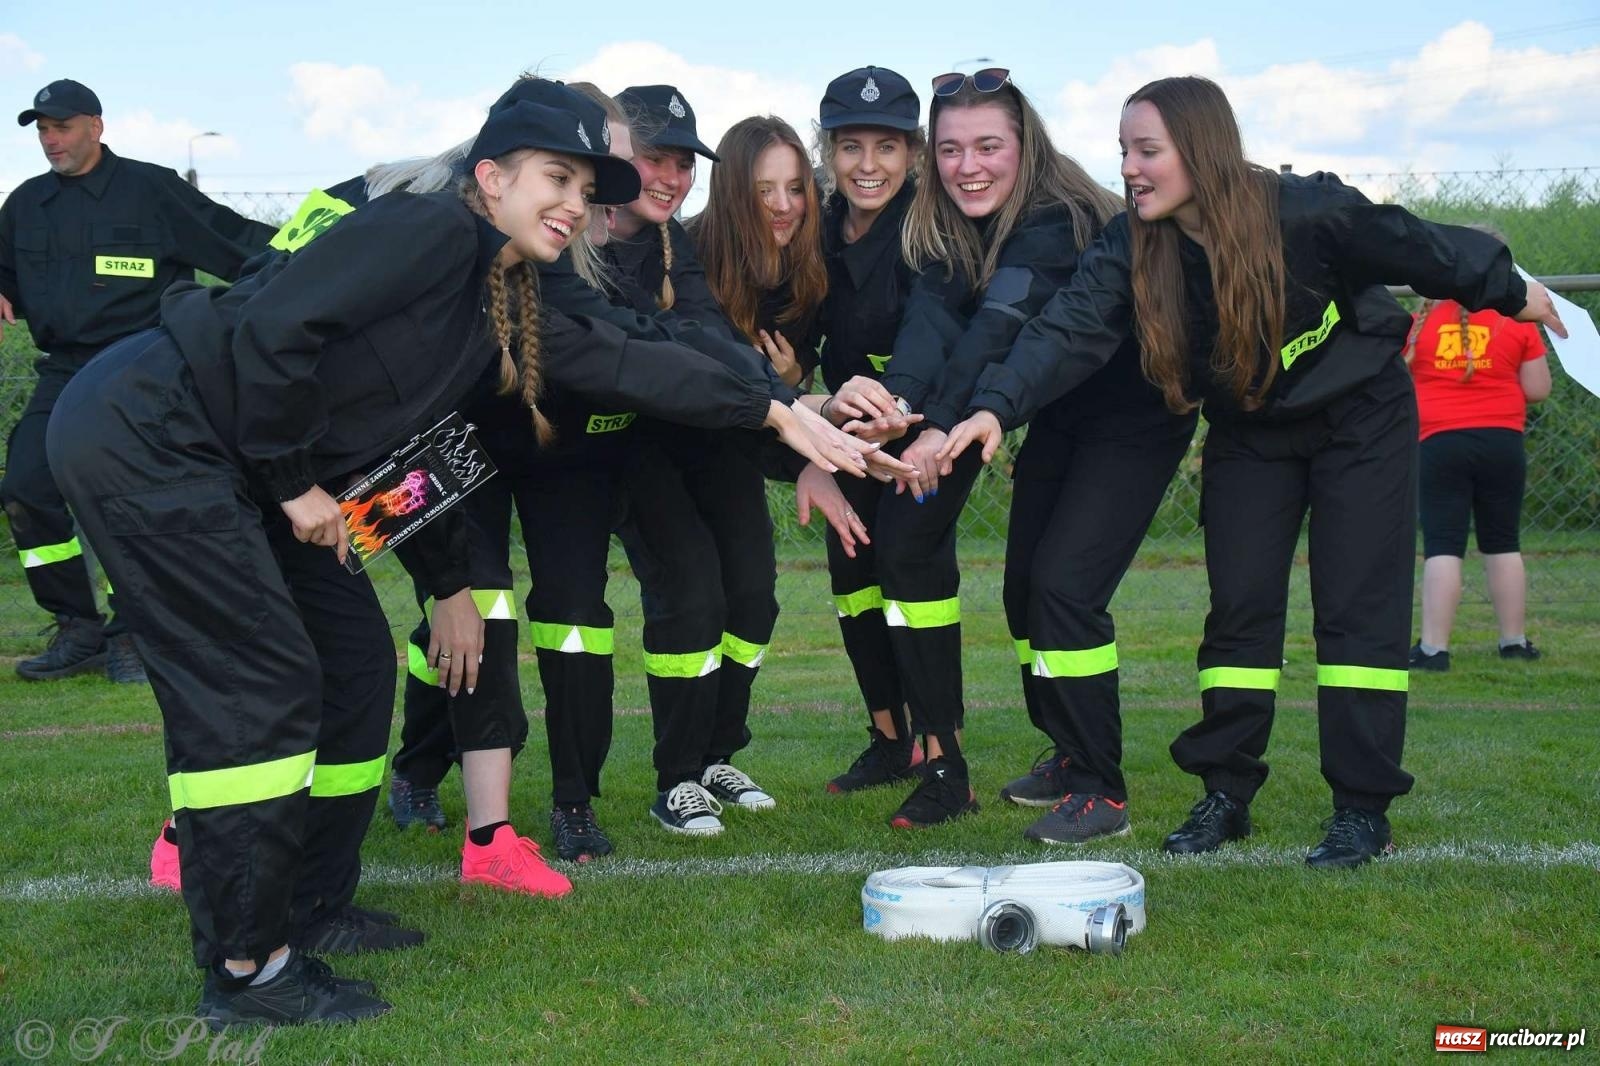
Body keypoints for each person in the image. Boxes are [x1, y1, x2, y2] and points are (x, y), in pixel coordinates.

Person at [44, 95, 647, 1026]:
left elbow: (407, 447)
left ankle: (312, 907)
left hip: (239, 461)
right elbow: (276, 328)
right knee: (263, 686)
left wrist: (448, 581)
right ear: (489, 179)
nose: (576, 204)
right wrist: (291, 481)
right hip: (152, 437)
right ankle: (248, 967)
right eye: (558, 178)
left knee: (356, 663)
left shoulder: (490, 294)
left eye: (586, 189)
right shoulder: (430, 227)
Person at [940, 75, 1564, 868]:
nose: (1129, 168)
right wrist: (996, 405)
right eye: (1123, 150)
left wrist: (1514, 290)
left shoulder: (1300, 209)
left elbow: (1412, 242)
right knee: (1239, 611)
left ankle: (1362, 811)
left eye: (1148, 151)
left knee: (1356, 611)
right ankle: (1225, 795)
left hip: (1360, 417)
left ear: (1200, 149)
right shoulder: (1132, 241)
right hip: (1251, 427)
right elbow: (1063, 330)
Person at [0, 78, 276, 684]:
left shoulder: (151, 190)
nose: (51, 139)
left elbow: (240, 244)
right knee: (25, 488)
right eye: (42, 129)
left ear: (96, 127)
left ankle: (134, 631)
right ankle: (78, 627)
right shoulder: (24, 205)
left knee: (131, 499)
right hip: (66, 368)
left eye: (62, 126)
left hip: (141, 365)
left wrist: (326, 248)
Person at [798, 66, 933, 793]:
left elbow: (929, 337)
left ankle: (942, 750)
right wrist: (813, 447)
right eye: (851, 147)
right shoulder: (816, 229)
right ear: (828, 151)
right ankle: (889, 740)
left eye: (887, 147)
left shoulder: (929, 227)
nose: (869, 165)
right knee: (854, 583)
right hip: (844, 434)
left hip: (918, 428)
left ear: (912, 153)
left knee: (909, 580)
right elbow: (794, 341)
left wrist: (862, 433)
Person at [1405, 273, 1550, 671]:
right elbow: (1537, 389)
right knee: (1503, 542)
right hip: (1501, 442)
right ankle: (1513, 642)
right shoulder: (1516, 320)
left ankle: (1434, 649)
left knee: (1443, 545)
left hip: (1439, 443)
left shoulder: (1424, 321)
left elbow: (1401, 380)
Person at [691, 114, 828, 388]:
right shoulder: (688, 255)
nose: (783, 205)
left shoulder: (810, 255)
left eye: (795, 189)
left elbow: (806, 352)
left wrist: (792, 375)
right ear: (732, 192)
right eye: (764, 190)